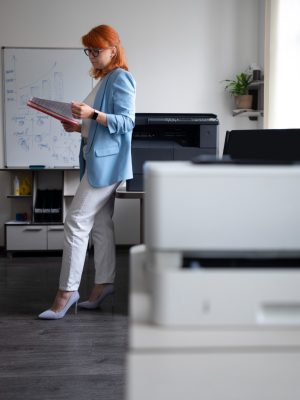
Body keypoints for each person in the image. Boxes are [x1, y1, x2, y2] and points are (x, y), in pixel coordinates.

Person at [38, 24, 136, 319]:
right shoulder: (104, 80)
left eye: (97, 50)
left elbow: (126, 122)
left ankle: (67, 293)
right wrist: (79, 126)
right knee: (100, 225)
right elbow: (99, 126)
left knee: (76, 221)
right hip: (97, 161)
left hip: (107, 164)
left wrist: (91, 114)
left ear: (113, 50)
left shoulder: (121, 78)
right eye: (88, 50)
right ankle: (104, 284)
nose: (92, 55)